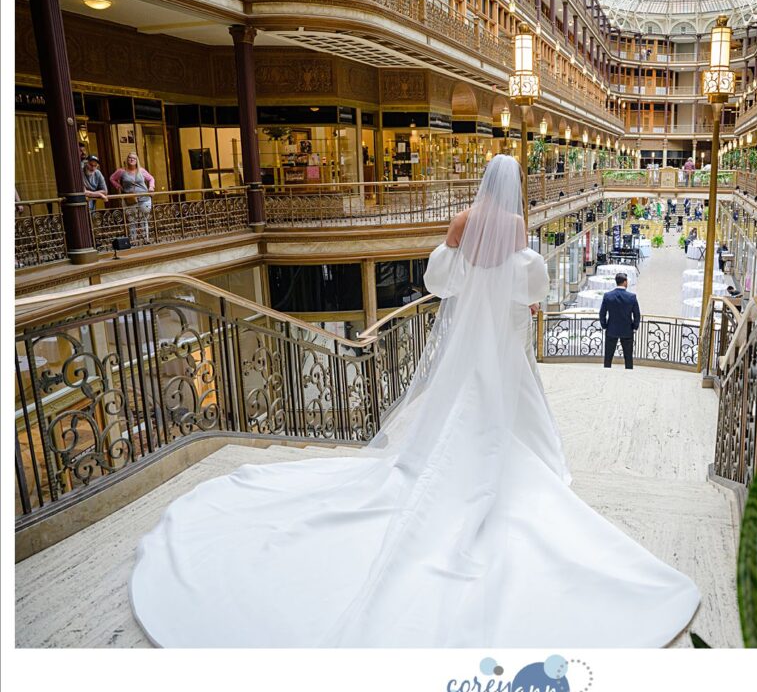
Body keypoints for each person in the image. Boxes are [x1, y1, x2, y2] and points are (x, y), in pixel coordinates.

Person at [129, 154, 700, 648]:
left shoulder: (462, 221)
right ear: (516, 187)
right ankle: (517, 471)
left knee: (453, 414)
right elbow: (532, 288)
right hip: (505, 348)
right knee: (513, 411)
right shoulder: (517, 227)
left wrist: (460, 252)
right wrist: (518, 277)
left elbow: (440, 283)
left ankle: (449, 468)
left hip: (464, 353)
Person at [109, 152, 155, 242]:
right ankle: (133, 240)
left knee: (144, 219)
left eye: (134, 158)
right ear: (127, 159)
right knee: (132, 220)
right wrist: (119, 186)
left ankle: (146, 239)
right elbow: (112, 178)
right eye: (130, 157)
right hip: (130, 199)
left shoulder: (141, 170)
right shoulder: (121, 171)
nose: (131, 159)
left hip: (144, 198)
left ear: (137, 160)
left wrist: (151, 187)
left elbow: (151, 178)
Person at [599, 273, 641, 370]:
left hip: (611, 329)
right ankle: (628, 372)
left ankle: (606, 372)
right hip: (627, 330)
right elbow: (637, 314)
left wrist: (604, 325)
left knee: (608, 356)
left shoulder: (608, 296)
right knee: (628, 356)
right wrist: (634, 326)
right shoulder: (631, 297)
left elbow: (602, 313)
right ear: (625, 282)